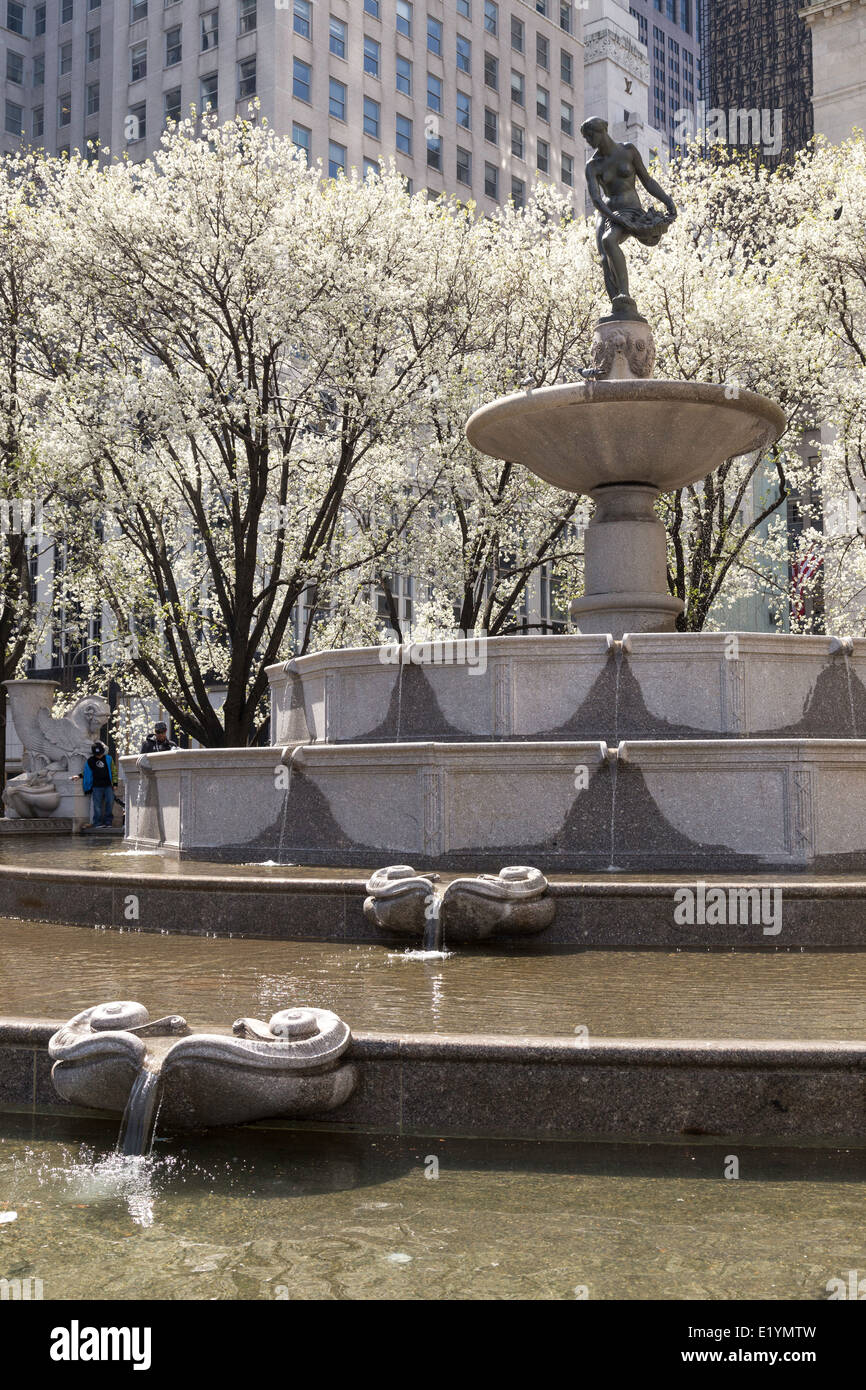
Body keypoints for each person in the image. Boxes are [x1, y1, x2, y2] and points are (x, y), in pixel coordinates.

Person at [581, 116, 677, 318]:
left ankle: (625, 294)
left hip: (631, 210)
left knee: (609, 240)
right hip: (608, 213)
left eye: (590, 136)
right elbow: (597, 200)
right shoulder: (593, 165)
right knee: (605, 258)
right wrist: (615, 219)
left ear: (601, 132)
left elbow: (647, 181)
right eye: (586, 137)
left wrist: (668, 201)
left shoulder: (628, 150)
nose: (588, 141)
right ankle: (619, 305)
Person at [82, 741, 115, 829]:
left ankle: (108, 822)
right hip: (96, 786)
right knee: (97, 805)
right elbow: (86, 773)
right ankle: (97, 823)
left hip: (108, 785)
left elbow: (113, 771)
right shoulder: (90, 761)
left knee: (110, 803)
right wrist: (79, 776)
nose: (99, 756)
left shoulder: (109, 759)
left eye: (100, 754)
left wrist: (115, 783)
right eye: (97, 754)